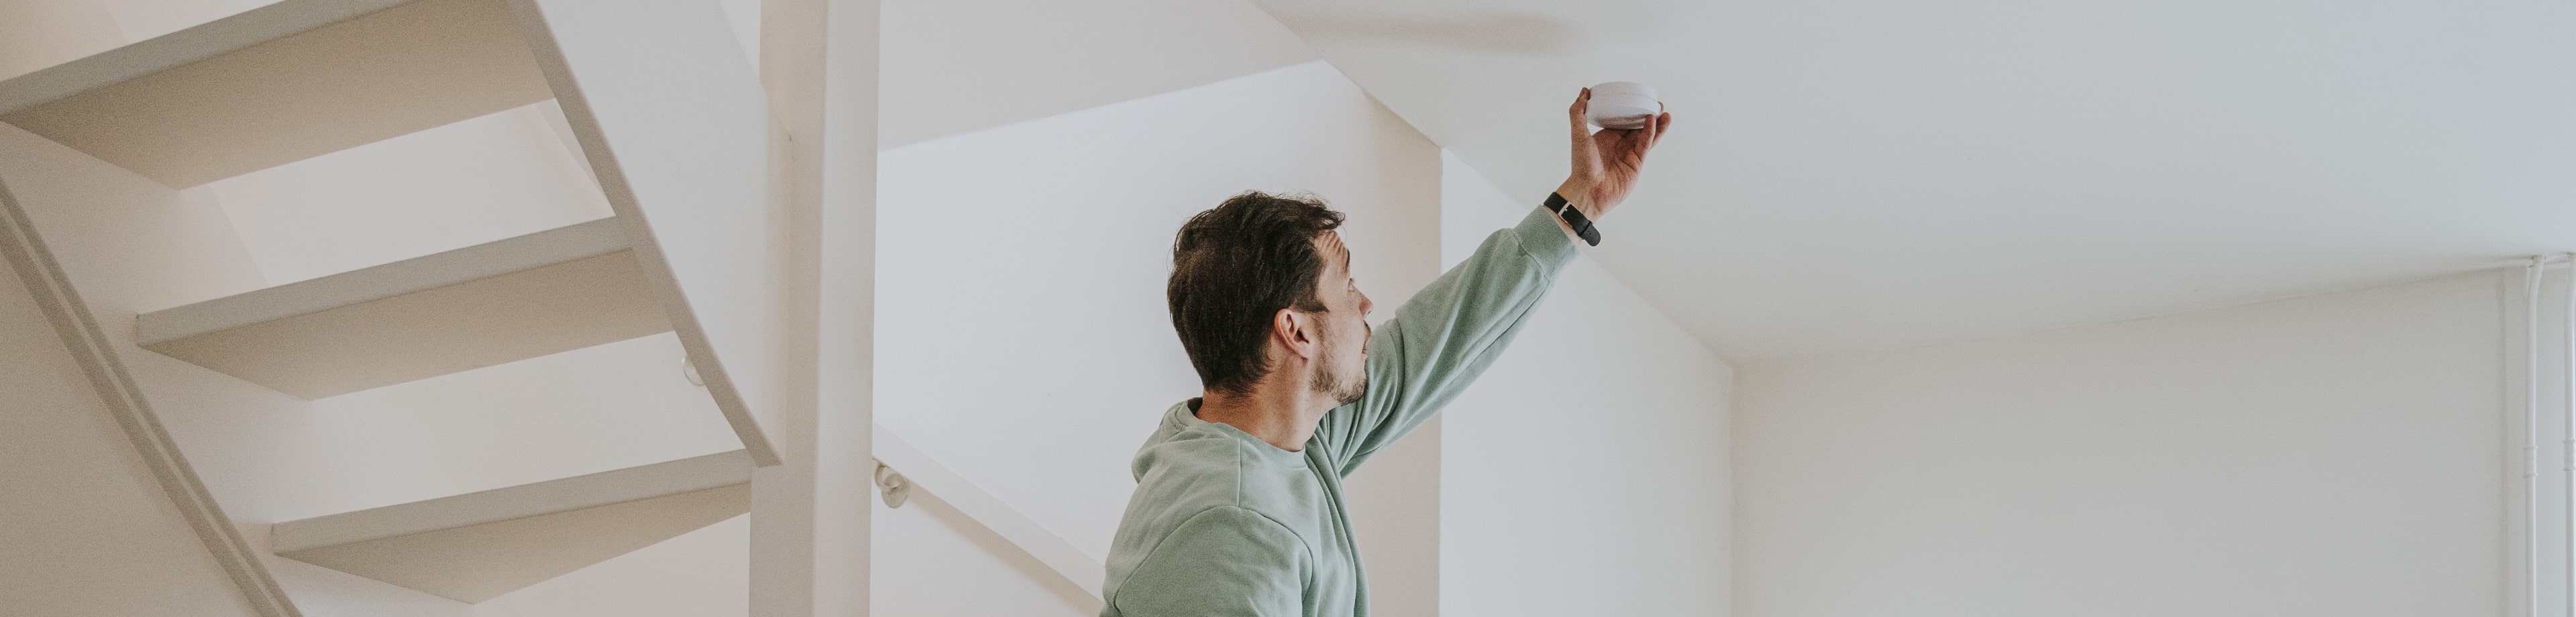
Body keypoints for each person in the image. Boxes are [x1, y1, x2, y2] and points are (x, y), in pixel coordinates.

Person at [1099, 87, 1672, 617]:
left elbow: (1440, 337)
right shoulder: (1232, 526)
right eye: (1347, 287)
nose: (1366, 303)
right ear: (1295, 331)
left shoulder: (1286, 440)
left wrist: (1583, 202)